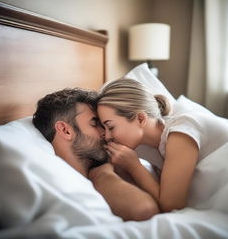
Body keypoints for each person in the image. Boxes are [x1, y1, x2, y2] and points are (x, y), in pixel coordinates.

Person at [96, 77, 228, 213]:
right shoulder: (152, 146)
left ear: (140, 118)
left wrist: (134, 166)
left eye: (111, 127)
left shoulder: (181, 131)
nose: (108, 136)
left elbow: (171, 206)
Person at [32, 87, 159, 221]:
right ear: (65, 130)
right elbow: (145, 210)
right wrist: (102, 173)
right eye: (94, 123)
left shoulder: (120, 163)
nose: (106, 134)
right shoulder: (55, 184)